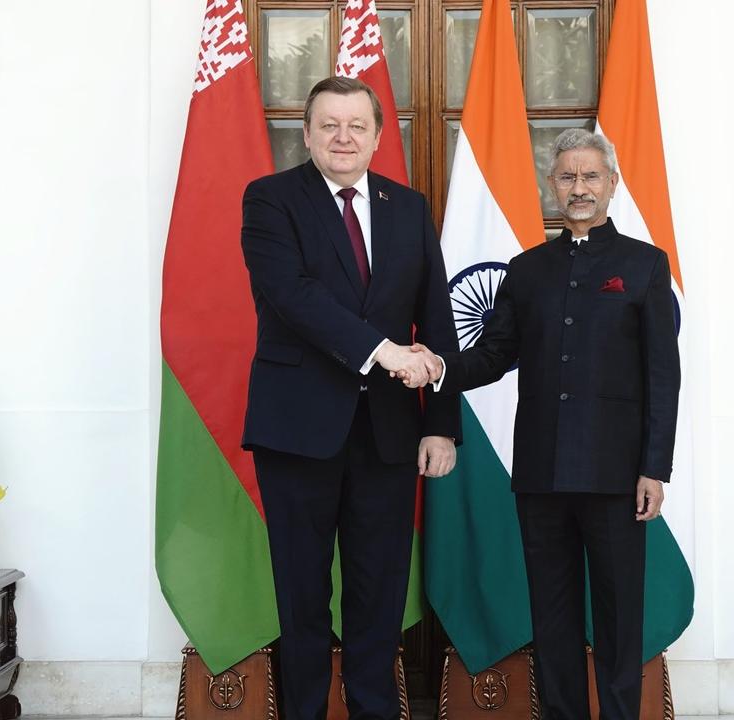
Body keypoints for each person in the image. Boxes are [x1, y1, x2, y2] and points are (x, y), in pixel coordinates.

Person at [402, 128, 680, 720]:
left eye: (590, 176)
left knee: (617, 616)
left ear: (611, 184)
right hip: (541, 475)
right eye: (567, 177)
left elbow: (663, 376)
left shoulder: (645, 267)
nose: (579, 188)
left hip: (616, 477)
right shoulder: (527, 270)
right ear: (551, 186)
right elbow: (494, 354)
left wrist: (654, 467)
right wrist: (437, 368)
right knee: (550, 617)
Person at [239, 77, 461, 720]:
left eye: (357, 126)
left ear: (377, 136)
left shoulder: (409, 207)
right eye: (329, 125)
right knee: (302, 596)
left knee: (379, 595)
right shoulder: (271, 200)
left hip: (389, 435)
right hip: (298, 430)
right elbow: (294, 296)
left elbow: (437, 318)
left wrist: (441, 425)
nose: (343, 137)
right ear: (306, 134)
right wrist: (385, 352)